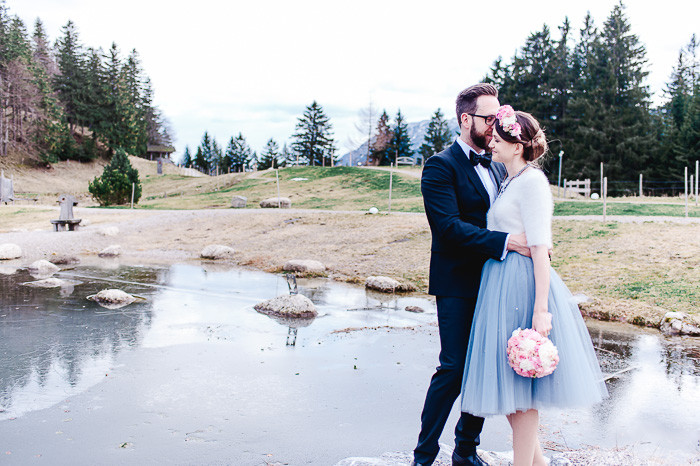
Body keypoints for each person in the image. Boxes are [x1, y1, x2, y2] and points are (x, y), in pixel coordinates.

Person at [460, 106, 608, 465]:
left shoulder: (533, 183)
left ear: (517, 145)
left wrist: (540, 308)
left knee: (522, 391)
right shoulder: (510, 179)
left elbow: (541, 249)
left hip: (523, 287)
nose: (491, 144)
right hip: (499, 285)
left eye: (498, 139)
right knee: (512, 390)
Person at [413, 84, 531, 466]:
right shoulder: (439, 166)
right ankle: (423, 456)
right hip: (457, 283)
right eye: (489, 117)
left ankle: (465, 450)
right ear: (466, 120)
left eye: (500, 116)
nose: (496, 124)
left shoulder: (498, 166)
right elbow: (446, 228)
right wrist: (507, 242)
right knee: (454, 367)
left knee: (485, 365)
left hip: (496, 281)